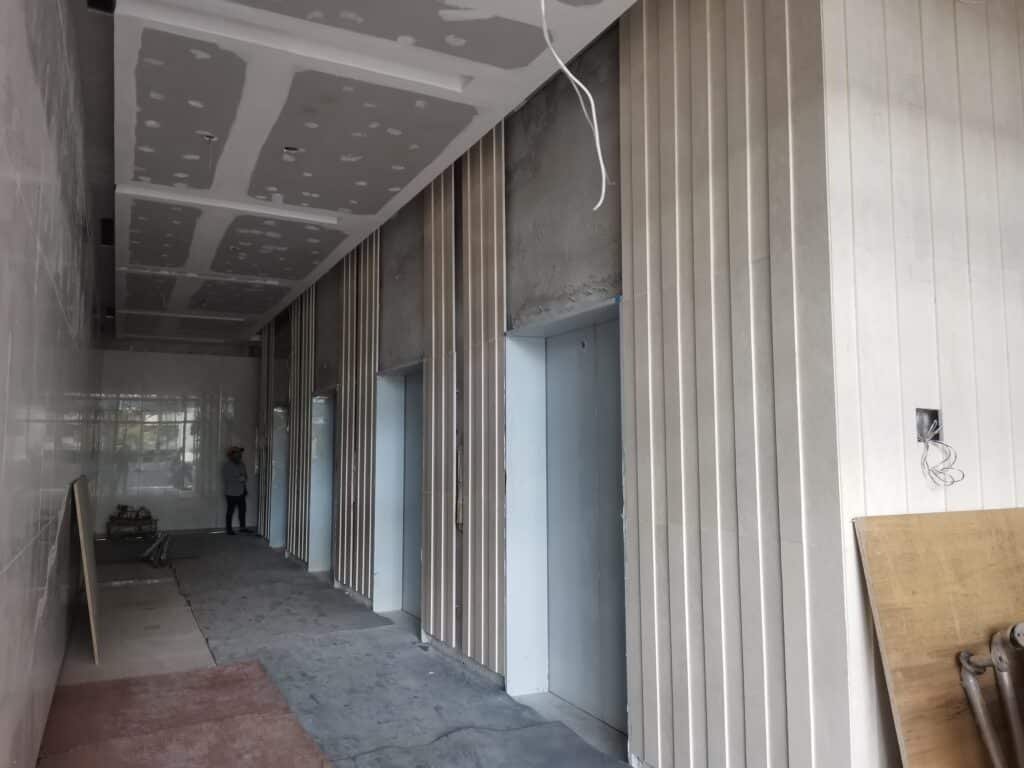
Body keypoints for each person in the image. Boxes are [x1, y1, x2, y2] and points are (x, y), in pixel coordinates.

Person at [221, 446, 248, 535]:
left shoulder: (242, 464)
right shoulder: (227, 466)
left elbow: (245, 476)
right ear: (231, 455)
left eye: (240, 453)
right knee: (230, 511)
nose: (239, 455)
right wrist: (240, 478)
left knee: (242, 511)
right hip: (231, 493)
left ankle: (242, 528)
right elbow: (228, 478)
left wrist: (244, 487)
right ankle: (229, 529)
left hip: (241, 492)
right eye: (237, 453)